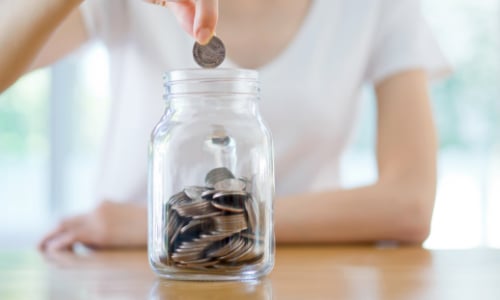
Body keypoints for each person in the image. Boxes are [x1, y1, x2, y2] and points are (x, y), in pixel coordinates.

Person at [0, 0, 449, 251]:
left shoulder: (377, 7)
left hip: (304, 271)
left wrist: (156, 225)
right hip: (129, 272)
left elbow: (408, 205)